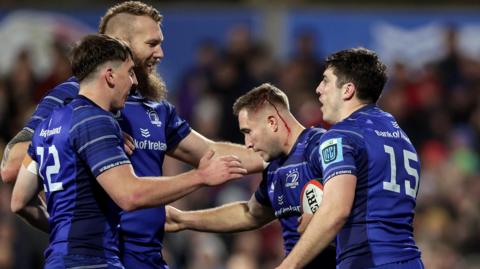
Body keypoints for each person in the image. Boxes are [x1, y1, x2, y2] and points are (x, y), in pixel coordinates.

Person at [3, 2, 264, 268]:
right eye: (151, 44)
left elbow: (212, 155)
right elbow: (13, 166)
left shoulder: (156, 109)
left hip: (148, 259)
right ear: (119, 45)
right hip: (100, 257)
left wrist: (284, 150)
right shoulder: (72, 100)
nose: (160, 53)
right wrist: (97, 140)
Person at [275, 48, 424, 269]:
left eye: (326, 81)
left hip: (368, 262)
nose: (318, 89)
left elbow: (337, 211)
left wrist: (288, 266)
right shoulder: (401, 138)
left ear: (347, 90)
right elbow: (374, 210)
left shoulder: (341, 136)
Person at [165, 83, 336, 269]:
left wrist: (322, 221)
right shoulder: (275, 168)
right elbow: (250, 214)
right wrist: (182, 219)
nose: (247, 144)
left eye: (248, 132)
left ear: (272, 122)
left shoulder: (321, 147)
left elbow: (346, 208)